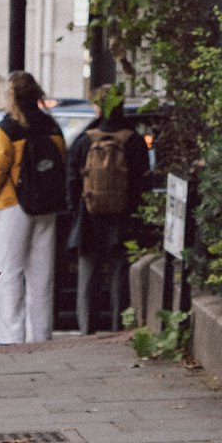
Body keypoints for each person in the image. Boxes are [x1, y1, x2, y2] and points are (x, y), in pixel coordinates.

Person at [0, 71, 66, 342]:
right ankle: (40, 334)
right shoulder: (51, 126)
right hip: (47, 207)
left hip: (13, 204)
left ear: (12, 96)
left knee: (8, 271)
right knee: (41, 274)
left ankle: (10, 335)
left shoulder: (8, 128)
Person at [66, 84, 150, 335]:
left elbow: (71, 179)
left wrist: (75, 210)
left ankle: (86, 330)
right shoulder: (133, 140)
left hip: (89, 218)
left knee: (87, 279)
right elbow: (143, 180)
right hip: (123, 218)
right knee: (119, 276)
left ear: (99, 107)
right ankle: (117, 327)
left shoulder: (85, 139)